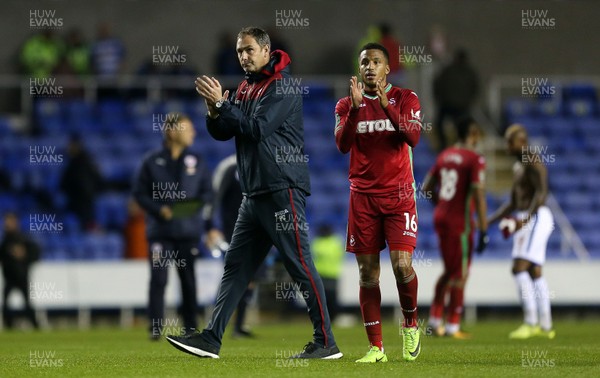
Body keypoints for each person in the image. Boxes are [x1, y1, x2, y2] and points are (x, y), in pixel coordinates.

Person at [166, 26, 342, 360]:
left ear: (265, 50)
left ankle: (326, 342)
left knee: (300, 265)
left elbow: (257, 129)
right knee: (236, 266)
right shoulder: (247, 87)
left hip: (280, 188)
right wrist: (212, 109)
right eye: (239, 51)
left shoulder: (283, 85)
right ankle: (211, 338)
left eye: (248, 50)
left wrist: (223, 103)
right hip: (254, 192)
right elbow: (223, 132)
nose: (243, 56)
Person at [335, 42, 421, 363]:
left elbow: (413, 136)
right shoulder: (346, 104)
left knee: (401, 266)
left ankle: (411, 323)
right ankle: (376, 348)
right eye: (364, 62)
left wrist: (388, 107)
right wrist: (358, 109)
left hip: (399, 196)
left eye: (375, 62)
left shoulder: (406, 98)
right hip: (363, 199)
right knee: (368, 275)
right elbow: (342, 145)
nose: (369, 67)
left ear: (387, 68)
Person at [132, 113, 213, 340]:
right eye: (187, 128)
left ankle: (190, 327)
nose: (193, 133)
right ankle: (156, 327)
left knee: (188, 279)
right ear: (171, 131)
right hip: (160, 233)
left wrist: (208, 225)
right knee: (159, 278)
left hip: (188, 232)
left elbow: (208, 193)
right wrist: (160, 209)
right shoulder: (152, 161)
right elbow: (139, 194)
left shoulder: (197, 161)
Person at [488, 124, 555, 340]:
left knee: (519, 268)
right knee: (534, 271)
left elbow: (542, 192)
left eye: (511, 141)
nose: (507, 145)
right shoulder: (519, 167)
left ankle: (530, 322)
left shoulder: (531, 159)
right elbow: (513, 203)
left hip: (536, 216)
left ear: (522, 142)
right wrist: (488, 221)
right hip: (529, 216)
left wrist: (525, 220)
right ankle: (546, 326)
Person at [423, 117, 488, 338]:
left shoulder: (444, 155)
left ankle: (433, 319)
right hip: (461, 222)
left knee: (450, 271)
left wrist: (442, 204)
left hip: (441, 218)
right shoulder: (474, 159)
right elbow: (479, 196)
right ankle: (452, 325)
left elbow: (425, 188)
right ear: (474, 134)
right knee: (460, 273)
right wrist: (485, 229)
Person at [208, 154, 255, 338]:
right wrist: (211, 226)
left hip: (255, 229)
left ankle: (239, 325)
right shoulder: (229, 166)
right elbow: (215, 197)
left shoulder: (259, 161)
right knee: (234, 276)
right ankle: (216, 326)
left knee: (250, 279)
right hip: (233, 232)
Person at [433, 49, 479, 151]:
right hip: (460, 106)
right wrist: (468, 101)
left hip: (448, 105)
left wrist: (439, 99)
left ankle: (444, 145)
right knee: (461, 128)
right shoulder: (470, 72)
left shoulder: (448, 70)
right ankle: (457, 147)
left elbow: (437, 85)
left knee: (440, 125)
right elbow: (475, 88)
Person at [0, 212, 40, 329]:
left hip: (22, 276)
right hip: (9, 277)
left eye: (10, 221)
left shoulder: (23, 238)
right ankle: (9, 325)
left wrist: (24, 255)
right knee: (6, 303)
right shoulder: (5, 241)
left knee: (27, 304)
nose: (7, 224)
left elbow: (35, 254)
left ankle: (35, 325)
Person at [59, 134, 103, 230]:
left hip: (83, 201)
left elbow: (90, 182)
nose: (69, 148)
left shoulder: (83, 163)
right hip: (80, 201)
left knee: (85, 223)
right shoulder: (74, 162)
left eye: (71, 146)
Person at [311, 224, 345, 322]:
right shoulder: (336, 242)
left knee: (326, 298)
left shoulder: (317, 242)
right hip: (327, 274)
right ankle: (327, 319)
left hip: (326, 274)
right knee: (326, 298)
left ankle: (328, 319)